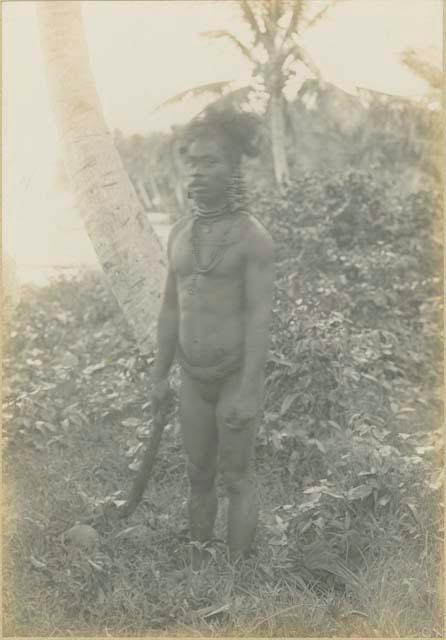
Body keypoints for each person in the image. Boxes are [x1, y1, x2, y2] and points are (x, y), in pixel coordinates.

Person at [151, 107, 274, 566]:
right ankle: (199, 559)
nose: (198, 173)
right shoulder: (180, 233)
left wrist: (246, 391)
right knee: (197, 473)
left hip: (233, 377)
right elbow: (169, 307)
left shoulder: (253, 239)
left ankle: (236, 578)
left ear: (233, 167)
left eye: (211, 162)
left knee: (237, 476)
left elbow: (260, 320)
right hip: (193, 378)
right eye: (193, 162)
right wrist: (160, 376)